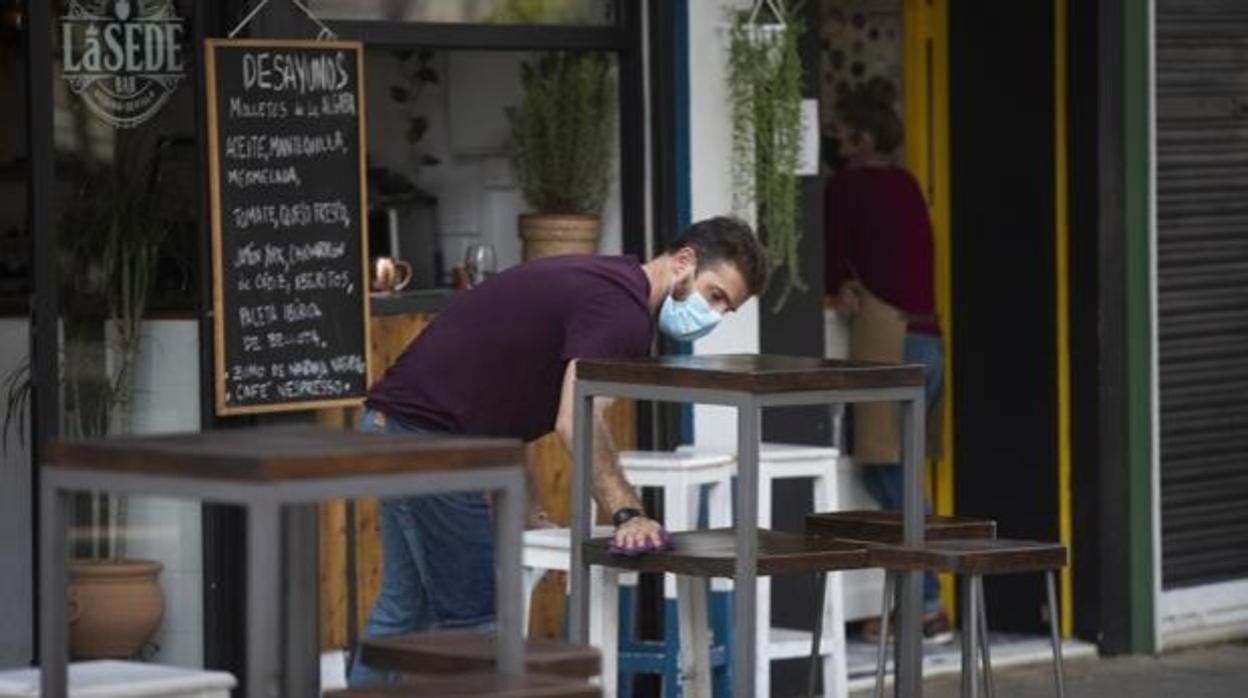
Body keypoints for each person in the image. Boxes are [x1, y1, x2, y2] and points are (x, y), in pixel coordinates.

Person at [348, 216, 769, 685]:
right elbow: (577, 420)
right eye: (715, 295)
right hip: (431, 443)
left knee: (403, 612)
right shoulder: (621, 310)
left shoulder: (609, 285)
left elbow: (499, 395)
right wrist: (628, 513)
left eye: (724, 308)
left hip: (396, 425)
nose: (712, 315)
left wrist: (526, 504)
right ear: (685, 260)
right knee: (475, 625)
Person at [824, 79, 951, 644]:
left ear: (862, 135)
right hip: (928, 340)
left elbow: (827, 252)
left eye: (842, 128)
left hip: (888, 342)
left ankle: (925, 605)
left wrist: (834, 288)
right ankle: (922, 601)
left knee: (888, 471)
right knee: (895, 470)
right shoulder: (905, 184)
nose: (834, 136)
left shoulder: (847, 187)